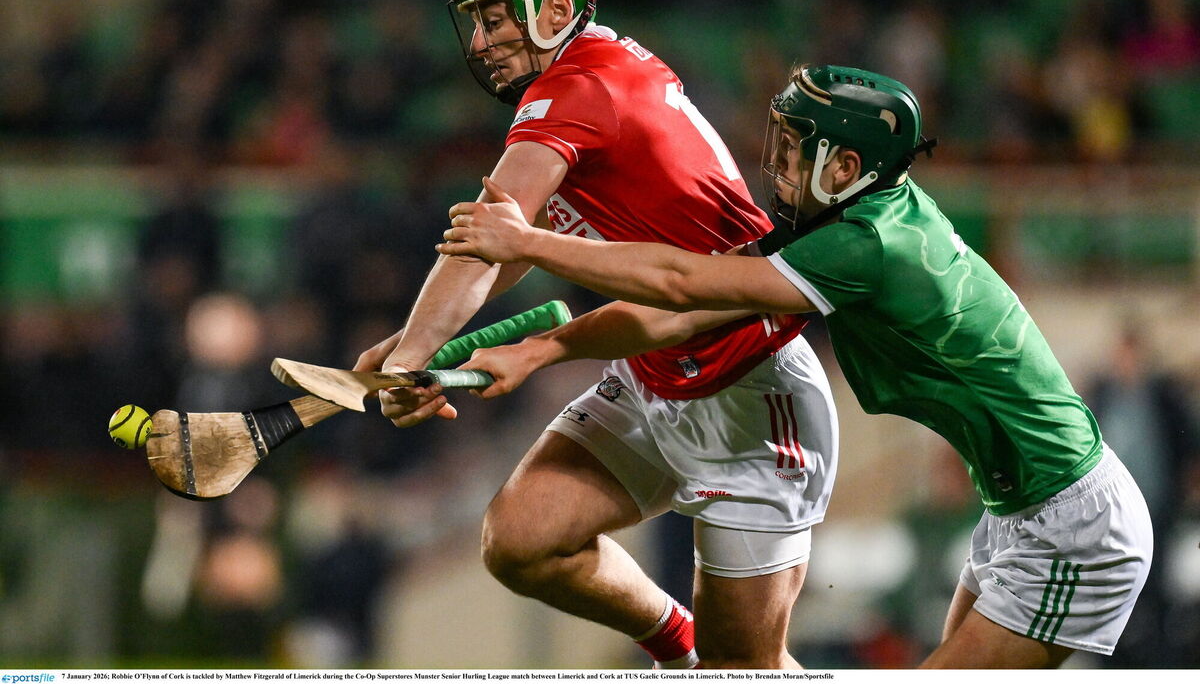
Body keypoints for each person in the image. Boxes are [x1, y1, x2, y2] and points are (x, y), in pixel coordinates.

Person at [438, 63, 1155, 669]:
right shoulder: (854, 220)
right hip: (1016, 508)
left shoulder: (860, 248)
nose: (775, 164)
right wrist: (542, 349)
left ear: (846, 167)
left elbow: (679, 283)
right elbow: (687, 312)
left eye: (794, 148)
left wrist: (529, 242)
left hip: (1071, 524)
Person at [354, 0, 839, 669]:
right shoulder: (593, 71)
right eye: (475, 24)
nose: (481, 42)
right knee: (522, 541)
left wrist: (418, 351)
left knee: (745, 670)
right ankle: (679, 650)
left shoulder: (577, 87)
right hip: (653, 366)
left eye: (495, 18)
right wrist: (416, 335)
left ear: (554, 8)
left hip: (748, 386)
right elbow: (520, 235)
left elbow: (494, 232)